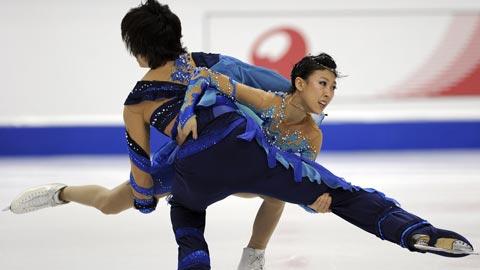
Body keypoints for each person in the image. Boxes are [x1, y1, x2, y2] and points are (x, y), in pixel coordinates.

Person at [4, 1, 331, 269]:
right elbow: (285, 89)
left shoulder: (154, 96)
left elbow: (140, 171)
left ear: (140, 51)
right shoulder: (183, 79)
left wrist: (145, 201)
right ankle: (59, 193)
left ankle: (253, 257)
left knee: (276, 185)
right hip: (186, 163)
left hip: (238, 151)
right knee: (111, 202)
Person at [147, 53, 475, 269]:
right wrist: (188, 111)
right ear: (300, 84)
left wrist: (313, 204)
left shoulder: (312, 136)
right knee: (123, 198)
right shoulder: (268, 101)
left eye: (333, 87)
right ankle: (105, 198)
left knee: (333, 192)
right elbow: (206, 76)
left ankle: (412, 231)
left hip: (262, 175)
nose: (329, 92)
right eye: (323, 83)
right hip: (223, 163)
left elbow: (302, 183)